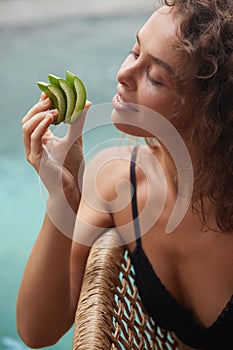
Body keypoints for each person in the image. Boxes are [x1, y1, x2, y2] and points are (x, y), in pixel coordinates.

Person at [17, 0, 233, 349]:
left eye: (154, 77)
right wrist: (61, 196)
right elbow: (35, 330)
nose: (123, 74)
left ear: (212, 110)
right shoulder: (120, 184)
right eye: (135, 51)